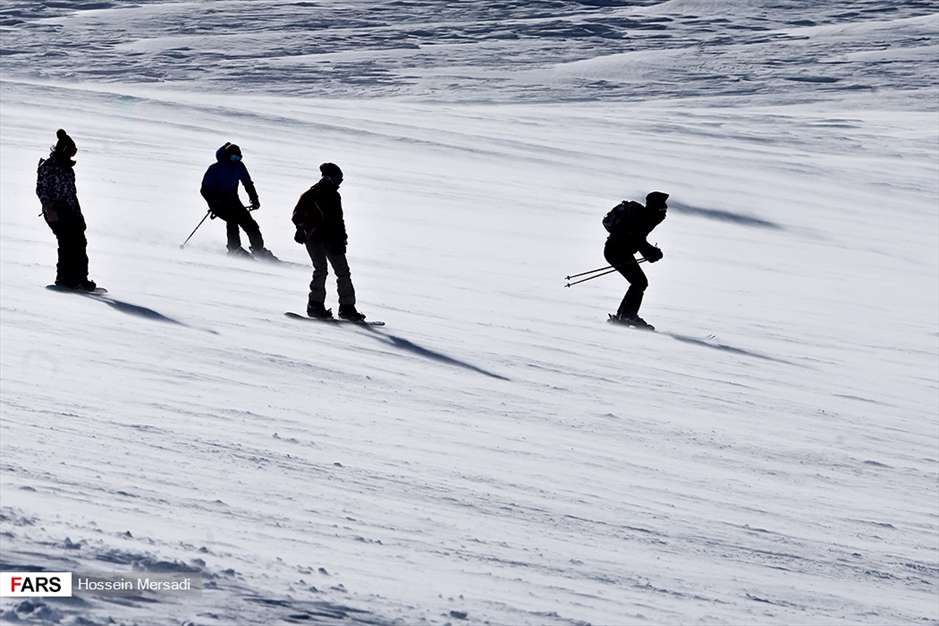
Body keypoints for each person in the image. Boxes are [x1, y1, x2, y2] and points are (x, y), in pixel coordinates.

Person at [291, 162, 366, 321]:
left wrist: (343, 237)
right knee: (321, 270)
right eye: (339, 179)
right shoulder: (311, 194)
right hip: (315, 239)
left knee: (343, 272)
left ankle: (347, 308)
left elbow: (339, 220)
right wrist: (303, 228)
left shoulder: (334, 195)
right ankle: (315, 306)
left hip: (333, 240)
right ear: (329, 178)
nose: (340, 182)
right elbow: (296, 216)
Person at [36, 129, 97, 290]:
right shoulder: (49, 167)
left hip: (71, 210)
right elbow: (41, 190)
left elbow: (72, 194)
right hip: (56, 211)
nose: (73, 155)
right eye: (71, 151)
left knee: (80, 242)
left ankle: (81, 278)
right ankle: (64, 279)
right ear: (64, 150)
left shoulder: (68, 169)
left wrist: (79, 215)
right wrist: (49, 208)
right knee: (67, 243)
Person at [200, 142, 277, 260]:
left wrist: (254, 198)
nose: (236, 160)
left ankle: (258, 249)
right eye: (233, 157)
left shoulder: (239, 166)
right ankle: (234, 248)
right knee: (232, 221)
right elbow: (204, 190)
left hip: (233, 201)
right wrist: (214, 203)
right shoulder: (215, 169)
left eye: (238, 158)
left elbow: (247, 183)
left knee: (251, 224)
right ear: (227, 156)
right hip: (218, 203)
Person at [603, 191, 668, 329]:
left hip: (616, 251)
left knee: (638, 282)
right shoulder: (643, 218)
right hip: (617, 252)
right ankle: (627, 316)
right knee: (639, 282)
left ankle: (623, 316)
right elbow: (638, 240)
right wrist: (652, 253)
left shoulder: (645, 216)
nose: (664, 212)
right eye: (663, 208)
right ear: (656, 208)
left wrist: (651, 253)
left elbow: (638, 240)